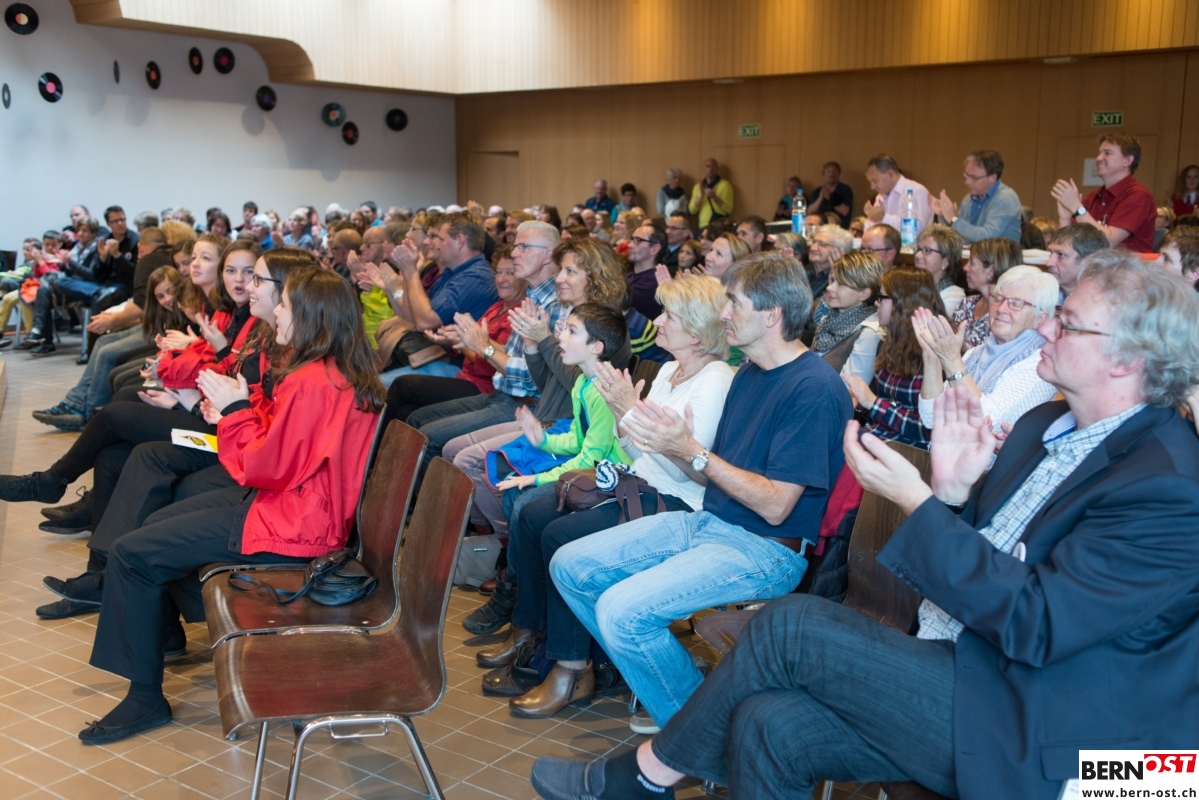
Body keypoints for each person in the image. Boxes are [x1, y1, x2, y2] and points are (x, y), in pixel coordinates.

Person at [530, 254, 1199, 800]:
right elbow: (985, 556)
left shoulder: (1165, 486)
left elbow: (1036, 624)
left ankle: (649, 774)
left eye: (1068, 324)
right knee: (766, 723)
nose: (1046, 331)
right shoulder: (1041, 425)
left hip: (1047, 723)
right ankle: (659, 774)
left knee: (788, 625)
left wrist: (919, 501)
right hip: (966, 663)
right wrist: (953, 496)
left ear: (1126, 359)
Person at [551, 252, 852, 734]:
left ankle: (695, 735)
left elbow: (777, 505)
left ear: (771, 315)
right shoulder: (751, 373)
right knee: (570, 565)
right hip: (711, 523)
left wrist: (690, 450)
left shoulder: (813, 387)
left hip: (765, 549)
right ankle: (683, 688)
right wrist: (673, 445)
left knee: (622, 612)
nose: (723, 313)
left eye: (733, 303)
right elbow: (710, 475)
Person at [79, 268, 383, 745]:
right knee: (156, 523)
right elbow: (282, 451)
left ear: (312, 317)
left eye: (285, 305)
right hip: (297, 511)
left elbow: (265, 467)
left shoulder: (313, 380)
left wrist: (235, 410)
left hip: (293, 524)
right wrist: (237, 407)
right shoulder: (331, 372)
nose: (277, 311)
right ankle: (160, 632)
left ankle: (144, 697)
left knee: (133, 553)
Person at [482, 275, 735, 719]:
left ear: (696, 332)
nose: (657, 321)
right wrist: (626, 419)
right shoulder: (670, 372)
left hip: (677, 501)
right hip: (639, 483)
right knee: (536, 514)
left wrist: (631, 419)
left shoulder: (715, 381)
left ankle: (571, 668)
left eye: (670, 316)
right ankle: (532, 631)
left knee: (560, 535)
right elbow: (639, 452)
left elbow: (695, 474)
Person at [35, 249, 315, 619]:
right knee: (114, 453)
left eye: (254, 276)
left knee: (129, 429)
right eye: (232, 270)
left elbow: (266, 428)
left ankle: (63, 500)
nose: (245, 283)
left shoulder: (286, 346)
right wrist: (206, 388)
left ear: (287, 292)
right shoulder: (263, 329)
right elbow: (237, 385)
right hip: (224, 428)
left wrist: (207, 402)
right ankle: (99, 574)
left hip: (229, 441)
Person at [31, 227, 176, 431]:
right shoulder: (166, 257)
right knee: (102, 341)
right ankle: (74, 403)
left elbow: (141, 305)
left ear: (141, 247)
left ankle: (89, 415)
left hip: (161, 331)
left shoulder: (149, 261)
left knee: (107, 352)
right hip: (156, 325)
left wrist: (113, 320)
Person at [380, 244, 525, 424]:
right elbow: (469, 342)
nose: (502, 279)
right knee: (405, 411)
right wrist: (454, 339)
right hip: (465, 377)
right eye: (499, 272)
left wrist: (461, 343)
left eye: (510, 273)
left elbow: (493, 366)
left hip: (483, 389)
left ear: (524, 277)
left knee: (403, 385)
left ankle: (370, 439)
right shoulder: (497, 307)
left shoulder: (517, 315)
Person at [916, 265, 1059, 432]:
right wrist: (931, 355)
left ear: (1040, 319)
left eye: (1016, 304)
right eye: (998, 299)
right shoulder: (976, 353)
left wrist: (952, 361)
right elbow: (930, 418)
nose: (1001, 309)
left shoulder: (1039, 364)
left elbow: (989, 423)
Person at [841, 267, 944, 449]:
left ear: (902, 303)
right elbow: (886, 408)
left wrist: (872, 403)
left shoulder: (934, 353)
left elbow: (926, 430)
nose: (876, 303)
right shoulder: (889, 342)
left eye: (882, 297)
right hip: (877, 437)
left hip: (908, 452)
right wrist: (862, 403)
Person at [1051, 132, 1156, 252]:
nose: (1098, 158)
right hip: (1094, 263)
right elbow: (1065, 247)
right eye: (1099, 153)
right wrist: (1065, 219)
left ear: (1127, 161)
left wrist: (1076, 207)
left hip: (1126, 264)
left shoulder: (1138, 195)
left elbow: (1107, 241)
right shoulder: (1093, 197)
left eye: (1107, 153)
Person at [810, 251, 884, 383]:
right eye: (833, 280)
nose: (829, 287)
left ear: (864, 294)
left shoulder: (869, 333)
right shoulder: (827, 320)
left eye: (841, 284)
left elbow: (850, 388)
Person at [931, 149, 1022, 244]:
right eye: (966, 175)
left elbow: (987, 237)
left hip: (998, 253)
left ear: (993, 177)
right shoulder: (968, 199)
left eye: (974, 178)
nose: (967, 182)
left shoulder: (1005, 198)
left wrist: (954, 219)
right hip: (969, 253)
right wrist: (943, 214)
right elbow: (958, 235)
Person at [952, 236, 1022, 348]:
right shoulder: (966, 305)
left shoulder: (1006, 315)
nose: (965, 268)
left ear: (991, 271)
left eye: (972, 262)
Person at [863, 154, 933, 234]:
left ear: (890, 174)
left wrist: (883, 217)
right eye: (870, 182)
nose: (872, 187)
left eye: (875, 181)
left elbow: (917, 229)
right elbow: (869, 231)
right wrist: (871, 218)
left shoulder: (917, 191)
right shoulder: (880, 197)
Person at [912, 223, 967, 317]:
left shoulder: (953, 298)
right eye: (918, 249)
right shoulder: (913, 287)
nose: (917, 255)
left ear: (945, 261)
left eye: (927, 250)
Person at [1045, 222, 1108, 299]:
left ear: (1090, 262)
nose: (1049, 263)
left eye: (1061, 255)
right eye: (1051, 253)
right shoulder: (1041, 296)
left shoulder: (1105, 302)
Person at [626, 224, 666, 319]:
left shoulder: (656, 281)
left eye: (638, 240)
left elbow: (616, 301)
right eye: (631, 239)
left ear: (654, 249)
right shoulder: (628, 275)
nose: (629, 245)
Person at [688, 157, 734, 228]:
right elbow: (691, 210)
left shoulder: (725, 185)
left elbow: (728, 209)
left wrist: (715, 197)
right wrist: (701, 196)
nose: (710, 169)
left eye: (713, 166)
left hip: (719, 226)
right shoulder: (698, 187)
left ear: (717, 168)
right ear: (704, 169)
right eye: (707, 166)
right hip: (703, 225)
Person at [808, 161, 854, 227]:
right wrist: (820, 198)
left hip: (840, 227)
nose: (831, 174)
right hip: (820, 227)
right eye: (828, 172)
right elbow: (810, 212)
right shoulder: (817, 191)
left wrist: (830, 197)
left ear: (839, 174)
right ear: (824, 174)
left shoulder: (845, 189)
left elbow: (845, 211)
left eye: (834, 172)